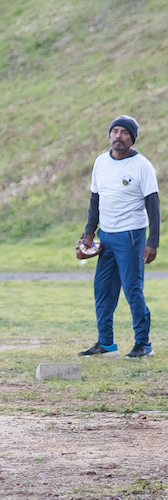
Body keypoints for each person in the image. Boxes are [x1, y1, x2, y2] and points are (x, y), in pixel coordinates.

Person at [78, 116, 159, 360]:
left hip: (132, 236)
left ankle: (143, 344)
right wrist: (88, 234)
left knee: (132, 290)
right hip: (107, 236)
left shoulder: (141, 165)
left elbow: (153, 206)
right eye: (115, 131)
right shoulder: (101, 162)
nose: (118, 136)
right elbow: (95, 200)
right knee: (103, 289)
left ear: (132, 138)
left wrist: (152, 242)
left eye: (124, 132)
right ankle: (106, 344)